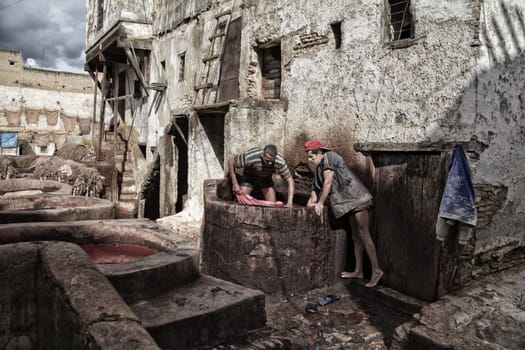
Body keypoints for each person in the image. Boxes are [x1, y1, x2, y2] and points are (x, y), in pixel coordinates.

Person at [304, 140, 383, 288]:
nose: (309, 160)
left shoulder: (330, 157)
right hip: (347, 205)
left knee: (364, 234)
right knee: (356, 237)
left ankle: (377, 270)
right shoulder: (318, 172)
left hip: (356, 198)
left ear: (319, 153)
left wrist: (320, 203)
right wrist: (309, 206)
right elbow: (314, 193)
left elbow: (328, 182)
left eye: (311, 156)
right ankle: (358, 270)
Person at [227, 144, 295, 208]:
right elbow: (231, 160)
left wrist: (290, 202)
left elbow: (290, 181)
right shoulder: (251, 157)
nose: (270, 163)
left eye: (272, 161)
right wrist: (235, 183)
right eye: (267, 160)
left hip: (266, 178)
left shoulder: (280, 161)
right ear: (262, 155)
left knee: (272, 205)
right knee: (241, 201)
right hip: (250, 176)